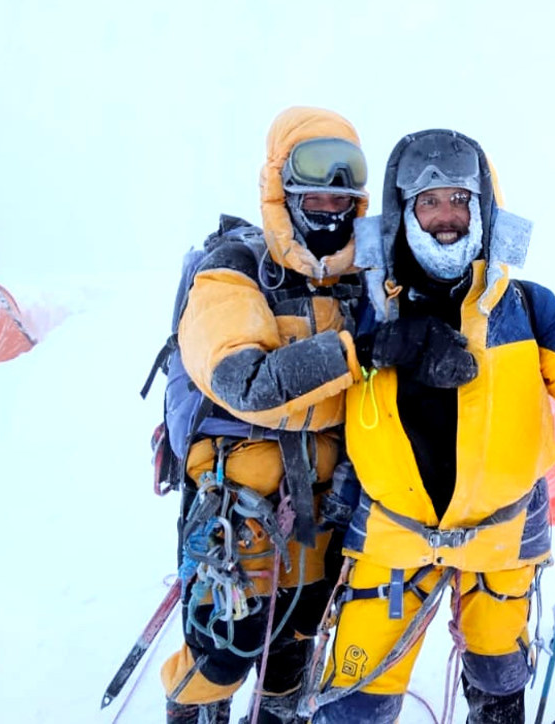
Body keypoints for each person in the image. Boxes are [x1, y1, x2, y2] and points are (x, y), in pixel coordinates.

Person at [308, 129, 555, 723]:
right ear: (405, 212)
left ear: (482, 209)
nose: (445, 218)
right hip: (390, 536)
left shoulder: (528, 306)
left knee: (498, 693)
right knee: (355, 705)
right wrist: (375, 343)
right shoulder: (364, 306)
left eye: (458, 201)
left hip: (502, 540)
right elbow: (305, 380)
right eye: (429, 202)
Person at [159, 106, 371, 724]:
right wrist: (357, 356)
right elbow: (243, 381)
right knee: (222, 655)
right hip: (237, 519)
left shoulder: (363, 284)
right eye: (314, 176)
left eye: (346, 180)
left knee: (295, 652)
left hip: (326, 515)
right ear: (281, 181)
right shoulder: (234, 268)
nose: (331, 196)